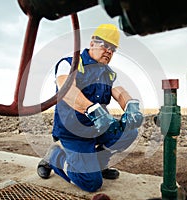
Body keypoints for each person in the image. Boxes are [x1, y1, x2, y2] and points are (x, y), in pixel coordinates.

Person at [37, 24, 143, 192]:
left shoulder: (109, 73)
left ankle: (99, 163)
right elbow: (67, 90)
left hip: (98, 129)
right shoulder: (70, 63)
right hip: (73, 134)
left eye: (113, 48)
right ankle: (55, 157)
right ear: (92, 42)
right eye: (105, 45)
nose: (109, 51)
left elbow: (120, 92)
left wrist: (131, 106)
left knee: (129, 132)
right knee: (91, 183)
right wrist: (91, 109)